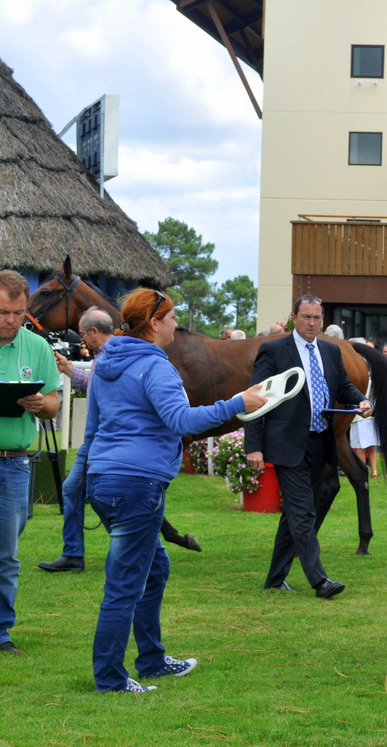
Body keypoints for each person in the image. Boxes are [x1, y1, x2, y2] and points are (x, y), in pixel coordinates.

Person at [80, 288, 265, 692]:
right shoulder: (154, 366)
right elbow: (181, 421)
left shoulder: (105, 363)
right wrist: (239, 402)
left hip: (104, 481)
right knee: (125, 585)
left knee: (154, 568)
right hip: (136, 485)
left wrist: (78, 483)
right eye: (171, 318)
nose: (175, 326)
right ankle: (111, 678)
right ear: (153, 324)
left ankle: (151, 660)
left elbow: (92, 431)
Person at [246, 295, 372, 598]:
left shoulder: (329, 350)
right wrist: (254, 446)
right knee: (304, 513)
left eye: (317, 318)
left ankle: (275, 579)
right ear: (294, 317)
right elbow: (255, 398)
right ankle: (320, 581)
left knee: (295, 515)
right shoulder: (274, 350)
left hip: (320, 442)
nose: (313, 323)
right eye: (306, 317)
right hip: (287, 444)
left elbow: (342, 386)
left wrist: (361, 400)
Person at [0, 270, 61, 656]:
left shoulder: (36, 347)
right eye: (3, 311)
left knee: (6, 553)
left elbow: (54, 402)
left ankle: (1, 633)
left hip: (14, 464)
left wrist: (42, 404)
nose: (10, 320)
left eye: (18, 313)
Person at [40, 307, 114, 574]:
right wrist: (70, 368)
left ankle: (134, 549)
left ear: (95, 332)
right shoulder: (104, 356)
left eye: (83, 334)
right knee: (73, 490)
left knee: (105, 497)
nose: (81, 340)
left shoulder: (112, 356)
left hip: (105, 443)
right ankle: (73, 554)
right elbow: (94, 386)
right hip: (94, 442)